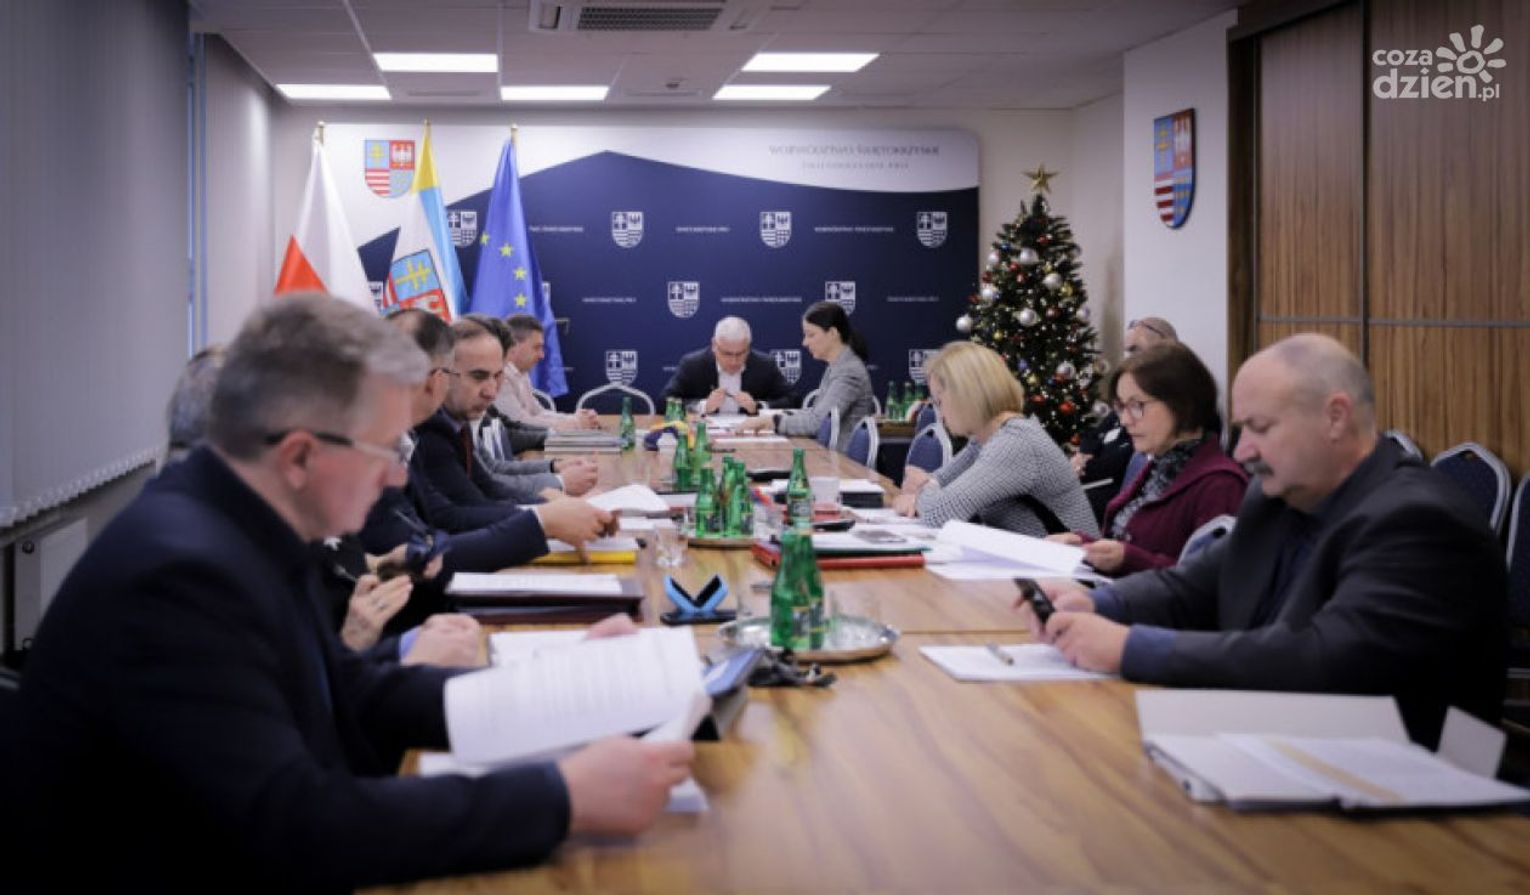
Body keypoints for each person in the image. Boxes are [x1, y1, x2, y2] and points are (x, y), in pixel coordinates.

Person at [2, 295, 694, 891]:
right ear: (300, 456)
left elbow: (351, 688)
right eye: (383, 451)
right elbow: (295, 825)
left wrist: (557, 687)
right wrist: (560, 796)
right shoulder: (180, 575)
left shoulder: (247, 522)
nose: (396, 479)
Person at [1019, 334, 1506, 747]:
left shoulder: (1418, 521)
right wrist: (1098, 604)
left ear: (1335, 417)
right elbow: (1193, 585)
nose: (1244, 451)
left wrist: (1131, 647)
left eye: (1260, 428)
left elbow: (1325, 661)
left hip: (1408, 779)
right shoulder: (1279, 495)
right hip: (1287, 744)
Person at [161, 335, 480, 667]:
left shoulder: (260, 511)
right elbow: (278, 689)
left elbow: (327, 571)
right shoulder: (195, 561)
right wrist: (355, 643)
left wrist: (382, 566)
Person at [1051, 342, 1247, 575]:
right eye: (1121, 407)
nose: (1125, 420)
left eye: (1136, 406)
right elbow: (1132, 545)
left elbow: (1213, 581)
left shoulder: (1221, 484)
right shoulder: (1160, 463)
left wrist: (1127, 559)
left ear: (1181, 404)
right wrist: (1083, 544)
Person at [412, 316, 612, 539]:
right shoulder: (431, 428)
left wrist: (558, 506)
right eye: (478, 377)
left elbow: (488, 488)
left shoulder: (458, 419)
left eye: (498, 376)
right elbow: (458, 514)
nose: (491, 392)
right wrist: (550, 513)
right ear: (440, 376)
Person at [892, 341, 1098, 538]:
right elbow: (941, 481)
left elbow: (939, 512)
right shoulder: (986, 437)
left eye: (939, 401)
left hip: (1067, 561)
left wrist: (921, 490)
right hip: (1031, 556)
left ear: (965, 396)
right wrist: (927, 487)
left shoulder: (1015, 443)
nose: (940, 413)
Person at [1073, 317, 1178, 520]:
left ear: (1166, 348)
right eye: (1127, 352)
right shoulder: (1132, 394)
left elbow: (1127, 458)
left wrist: (1084, 467)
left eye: (1135, 350)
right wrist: (1084, 454)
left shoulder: (1172, 402)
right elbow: (1094, 433)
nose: (1125, 421)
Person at [737, 301, 875, 453]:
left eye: (811, 335)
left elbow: (818, 423)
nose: (804, 342)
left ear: (832, 333)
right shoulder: (837, 366)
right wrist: (780, 415)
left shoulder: (848, 371)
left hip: (841, 461)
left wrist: (773, 421)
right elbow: (817, 412)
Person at [661, 316, 794, 415]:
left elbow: (793, 400)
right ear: (714, 345)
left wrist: (758, 407)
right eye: (727, 354)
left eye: (741, 353)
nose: (733, 361)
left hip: (751, 437)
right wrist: (702, 406)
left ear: (748, 347)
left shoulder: (765, 364)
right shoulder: (693, 364)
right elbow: (663, 403)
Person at [494, 312, 599, 430]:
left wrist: (573, 418)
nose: (542, 355)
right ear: (513, 345)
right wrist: (576, 423)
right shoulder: (499, 375)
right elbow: (520, 424)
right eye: (536, 347)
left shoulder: (521, 373)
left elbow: (538, 413)